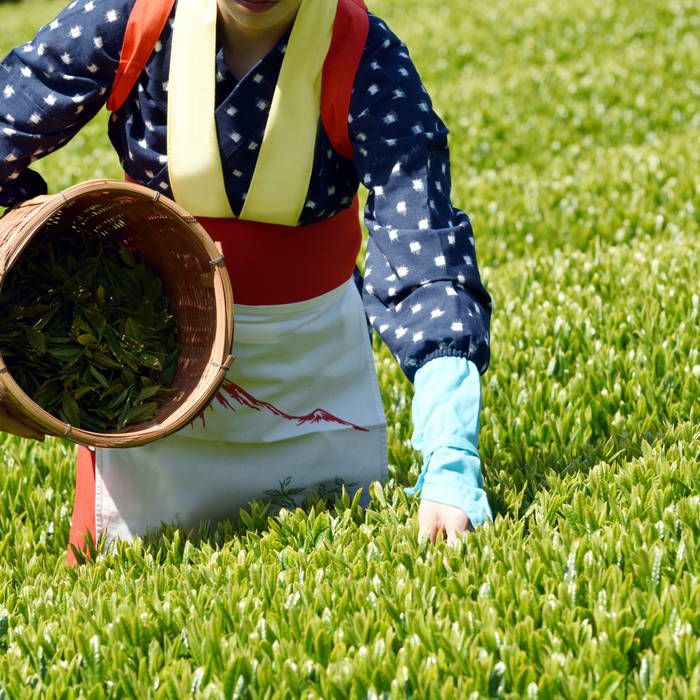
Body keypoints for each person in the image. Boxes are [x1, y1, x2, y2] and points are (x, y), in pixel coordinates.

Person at [0, 0, 493, 558]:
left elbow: (423, 247)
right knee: (138, 570)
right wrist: (46, 261)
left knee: (331, 557)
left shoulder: (363, 53)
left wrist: (451, 456)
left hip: (308, 374)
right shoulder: (130, 20)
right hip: (152, 372)